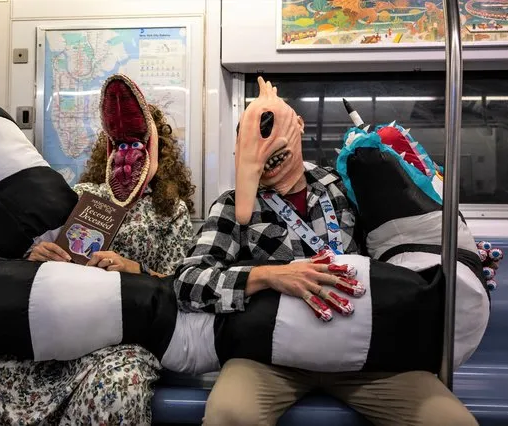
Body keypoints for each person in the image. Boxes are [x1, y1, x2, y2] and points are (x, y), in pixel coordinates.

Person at [173, 77, 478, 426]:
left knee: (450, 421)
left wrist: (460, 258)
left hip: (363, 354)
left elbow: (399, 250)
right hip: (271, 357)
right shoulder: (231, 206)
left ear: (299, 125)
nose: (267, 150)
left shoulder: (347, 187)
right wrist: (269, 276)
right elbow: (188, 282)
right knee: (229, 415)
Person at [0, 74, 195, 426]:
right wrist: (36, 258)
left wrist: (132, 269)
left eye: (138, 143)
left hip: (126, 331)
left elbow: (181, 286)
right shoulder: (79, 195)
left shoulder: (169, 211)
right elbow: (22, 272)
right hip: (61, 322)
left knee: (112, 391)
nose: (129, 153)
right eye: (121, 144)